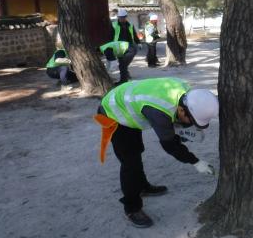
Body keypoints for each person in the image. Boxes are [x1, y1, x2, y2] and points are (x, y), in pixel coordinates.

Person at [93, 77, 219, 228]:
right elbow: (170, 146)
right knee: (130, 162)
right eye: (190, 121)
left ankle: (142, 186)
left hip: (128, 105)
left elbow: (173, 123)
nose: (190, 124)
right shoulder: (160, 111)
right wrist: (195, 162)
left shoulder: (187, 94)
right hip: (113, 113)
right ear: (181, 110)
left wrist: (181, 129)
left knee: (136, 150)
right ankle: (132, 208)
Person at [101, 8, 140, 85]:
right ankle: (124, 79)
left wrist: (138, 43)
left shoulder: (130, 25)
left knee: (123, 63)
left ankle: (124, 77)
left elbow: (134, 35)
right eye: (120, 17)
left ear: (126, 17)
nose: (122, 19)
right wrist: (110, 46)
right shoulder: (114, 25)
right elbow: (110, 36)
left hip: (129, 46)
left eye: (123, 17)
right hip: (118, 46)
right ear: (118, 17)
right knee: (122, 63)